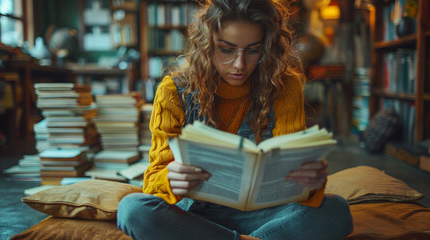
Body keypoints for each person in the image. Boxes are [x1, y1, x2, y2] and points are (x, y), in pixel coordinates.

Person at [117, 0, 353, 239]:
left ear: (267, 47)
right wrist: (170, 178)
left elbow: (294, 180)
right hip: (195, 214)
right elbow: (153, 185)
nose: (240, 64)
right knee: (132, 209)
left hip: (264, 214)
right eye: (227, 50)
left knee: (336, 210)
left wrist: (310, 182)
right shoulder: (173, 91)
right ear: (207, 46)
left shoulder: (284, 86)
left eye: (252, 50)